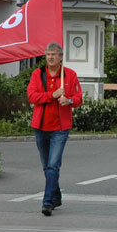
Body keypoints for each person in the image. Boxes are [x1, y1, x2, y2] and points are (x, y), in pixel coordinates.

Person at [27, 42, 83, 216]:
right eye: (48, 54)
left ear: (61, 57)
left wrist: (69, 101)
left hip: (60, 128)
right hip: (40, 126)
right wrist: (51, 95)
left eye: (54, 54)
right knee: (47, 166)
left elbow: (78, 97)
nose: (50, 57)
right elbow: (32, 96)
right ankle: (56, 194)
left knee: (53, 165)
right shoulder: (38, 74)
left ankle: (47, 202)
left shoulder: (70, 75)